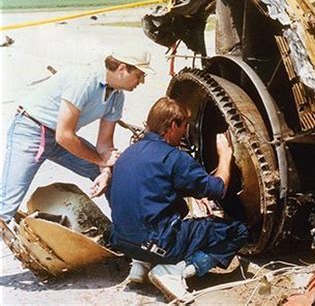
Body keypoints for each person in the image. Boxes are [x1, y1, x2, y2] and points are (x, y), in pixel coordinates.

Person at [107, 97, 248, 302]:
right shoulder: (174, 158)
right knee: (237, 231)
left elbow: (145, 191)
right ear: (173, 125)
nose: (185, 132)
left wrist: (192, 193)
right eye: (184, 127)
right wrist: (225, 155)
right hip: (157, 243)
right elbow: (218, 189)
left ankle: (140, 263)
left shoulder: (128, 153)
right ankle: (175, 271)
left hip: (123, 241)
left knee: (178, 208)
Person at [0, 48, 155, 222]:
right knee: (6, 205)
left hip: (64, 138)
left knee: (113, 176)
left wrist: (104, 172)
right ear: (122, 70)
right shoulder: (85, 79)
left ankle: (129, 231)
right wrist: (100, 160)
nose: (141, 81)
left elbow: (104, 146)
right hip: (33, 131)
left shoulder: (117, 96)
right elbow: (64, 136)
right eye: (140, 75)